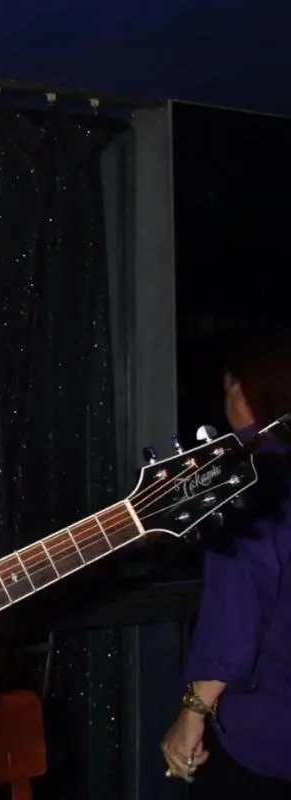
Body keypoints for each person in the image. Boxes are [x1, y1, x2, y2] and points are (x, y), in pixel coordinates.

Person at [160, 329, 291, 797]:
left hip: (266, 739)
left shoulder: (246, 478)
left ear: (247, 389)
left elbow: (234, 614)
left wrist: (192, 713)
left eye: (227, 388)